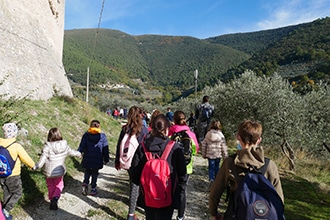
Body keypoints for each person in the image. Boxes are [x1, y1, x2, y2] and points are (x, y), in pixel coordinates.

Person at [209, 119, 284, 219]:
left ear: (238, 137)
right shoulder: (270, 165)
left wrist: (214, 213)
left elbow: (215, 192)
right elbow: (279, 198)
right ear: (259, 140)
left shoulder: (230, 162)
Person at [130, 114, 187, 220]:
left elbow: (134, 176)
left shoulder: (142, 147)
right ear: (166, 130)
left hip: (148, 197)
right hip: (168, 197)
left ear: (151, 128)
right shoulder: (175, 148)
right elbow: (183, 176)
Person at [33, 128, 81, 210]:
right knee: (59, 185)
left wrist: (36, 166)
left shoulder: (47, 147)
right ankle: (55, 198)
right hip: (59, 171)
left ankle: (51, 199)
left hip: (48, 172)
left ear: (49, 136)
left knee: (50, 185)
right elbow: (71, 152)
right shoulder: (64, 145)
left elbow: (43, 158)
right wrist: (79, 154)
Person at [114, 106, 149, 220]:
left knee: (133, 185)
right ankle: (133, 214)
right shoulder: (143, 130)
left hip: (128, 161)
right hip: (140, 162)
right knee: (140, 186)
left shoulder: (125, 129)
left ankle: (132, 212)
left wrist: (117, 161)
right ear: (140, 115)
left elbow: (119, 144)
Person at [0, 123, 35, 220]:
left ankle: (4, 214)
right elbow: (26, 158)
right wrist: (33, 166)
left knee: (7, 192)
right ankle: (6, 210)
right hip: (13, 175)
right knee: (17, 192)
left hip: (1, 174)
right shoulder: (16, 146)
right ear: (15, 134)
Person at [168, 110, 199, 220]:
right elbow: (195, 150)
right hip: (187, 167)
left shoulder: (170, 132)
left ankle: (168, 213)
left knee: (170, 189)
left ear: (174, 120)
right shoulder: (190, 134)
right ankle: (180, 216)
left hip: (171, 166)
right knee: (182, 190)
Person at [78, 120, 109, 196]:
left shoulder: (86, 135)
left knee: (87, 171)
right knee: (95, 173)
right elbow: (105, 148)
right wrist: (106, 159)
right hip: (97, 158)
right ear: (99, 126)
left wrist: (79, 152)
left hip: (87, 157)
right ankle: (93, 189)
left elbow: (82, 146)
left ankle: (85, 184)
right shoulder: (102, 136)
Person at [201, 119, 228, 190]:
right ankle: (217, 181)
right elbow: (223, 146)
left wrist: (203, 154)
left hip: (210, 155)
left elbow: (204, 144)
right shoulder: (221, 135)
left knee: (211, 168)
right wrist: (225, 156)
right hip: (218, 155)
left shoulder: (208, 134)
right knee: (217, 167)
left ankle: (211, 180)